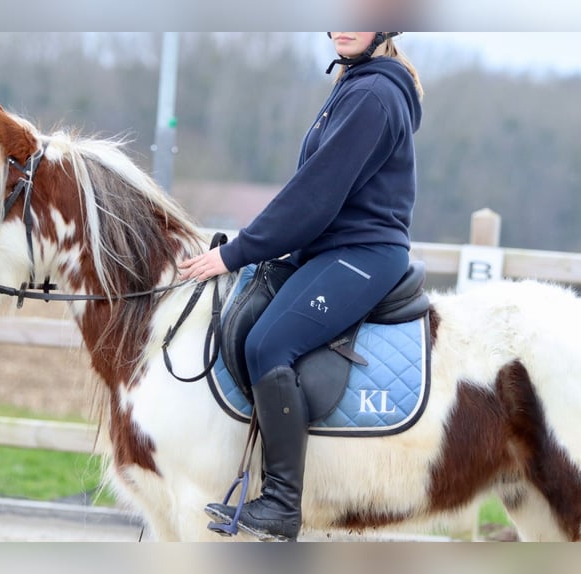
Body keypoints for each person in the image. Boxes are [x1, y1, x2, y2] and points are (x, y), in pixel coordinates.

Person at [179, 32, 424, 541]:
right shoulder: (353, 83)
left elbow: (313, 198)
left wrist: (235, 252)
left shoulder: (371, 96)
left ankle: (282, 504)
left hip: (363, 255)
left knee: (270, 343)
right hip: (331, 250)